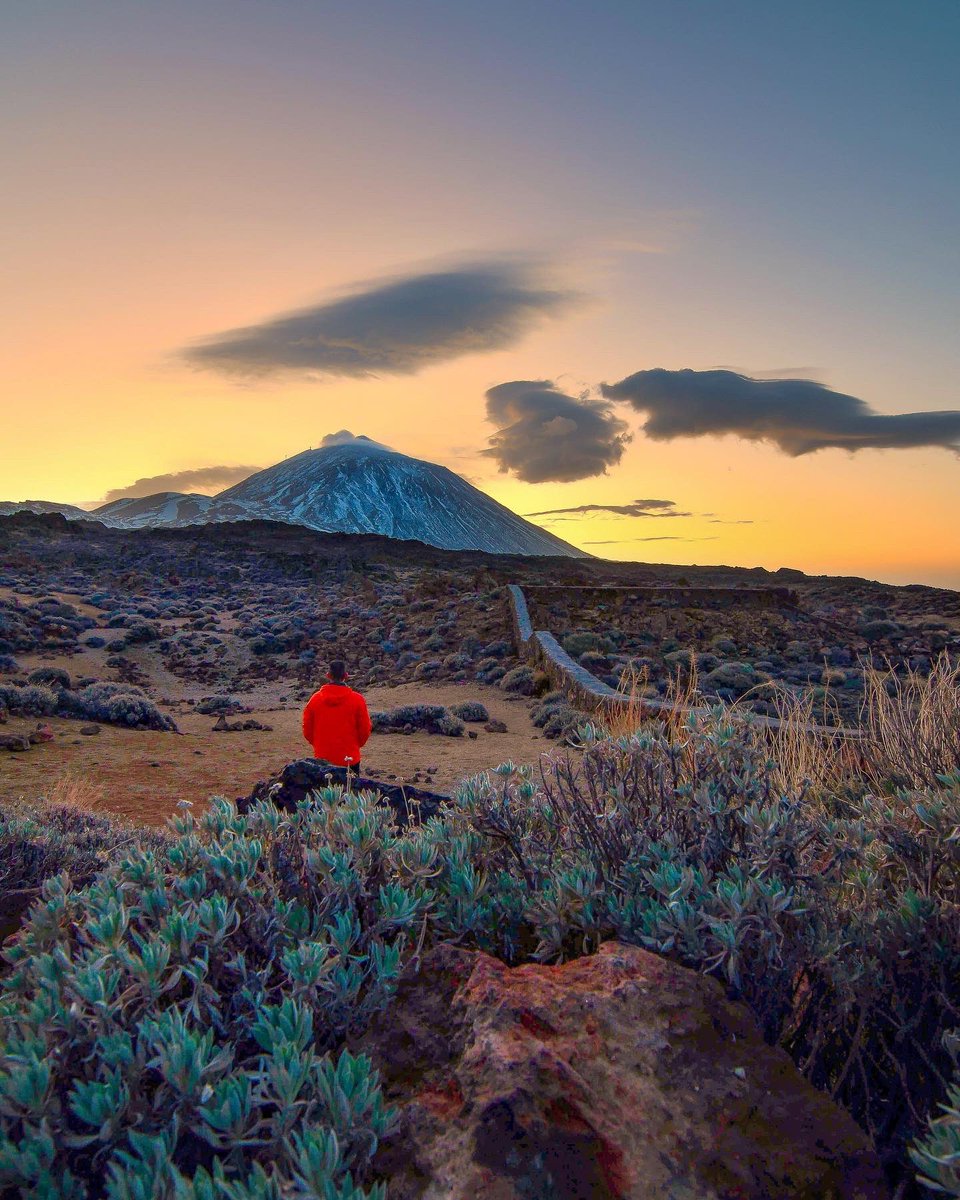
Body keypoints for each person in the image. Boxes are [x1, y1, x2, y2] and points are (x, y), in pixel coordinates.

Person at [301, 659, 372, 772]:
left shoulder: (315, 699)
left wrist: (319, 744)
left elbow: (307, 729)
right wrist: (355, 746)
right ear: (346, 675)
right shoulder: (357, 700)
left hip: (322, 757)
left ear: (328, 675)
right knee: (350, 788)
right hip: (350, 758)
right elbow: (365, 729)